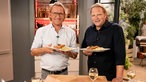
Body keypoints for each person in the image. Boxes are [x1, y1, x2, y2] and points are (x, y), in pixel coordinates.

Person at [31, 2, 78, 80]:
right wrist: (45, 49)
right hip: (46, 74)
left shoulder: (71, 32)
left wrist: (67, 52)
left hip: (64, 73)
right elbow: (33, 52)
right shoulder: (41, 31)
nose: (58, 16)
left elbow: (75, 55)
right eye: (55, 13)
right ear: (50, 15)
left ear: (64, 16)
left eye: (61, 13)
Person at [81, 3, 126, 82]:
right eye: (93, 15)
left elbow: (120, 55)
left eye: (99, 14)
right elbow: (84, 47)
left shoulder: (116, 29)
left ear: (105, 15)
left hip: (109, 76)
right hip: (92, 75)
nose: (96, 18)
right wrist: (86, 52)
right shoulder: (89, 30)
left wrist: (119, 77)